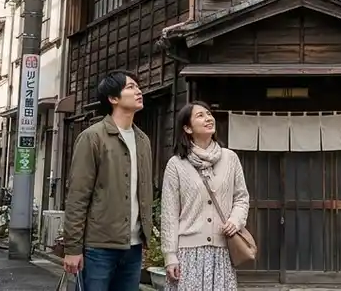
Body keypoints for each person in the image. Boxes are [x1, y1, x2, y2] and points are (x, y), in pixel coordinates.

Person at [61, 71, 153, 291]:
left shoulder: (143, 141)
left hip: (133, 246)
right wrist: (72, 248)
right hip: (99, 247)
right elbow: (78, 195)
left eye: (138, 86)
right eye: (130, 87)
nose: (138, 91)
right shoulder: (93, 137)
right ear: (113, 99)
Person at [160, 102, 250, 291]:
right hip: (187, 255)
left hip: (222, 252)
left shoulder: (230, 158)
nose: (208, 118)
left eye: (209, 114)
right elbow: (169, 213)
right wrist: (170, 256)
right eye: (200, 115)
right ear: (187, 128)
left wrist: (236, 220)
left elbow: (241, 197)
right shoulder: (176, 164)